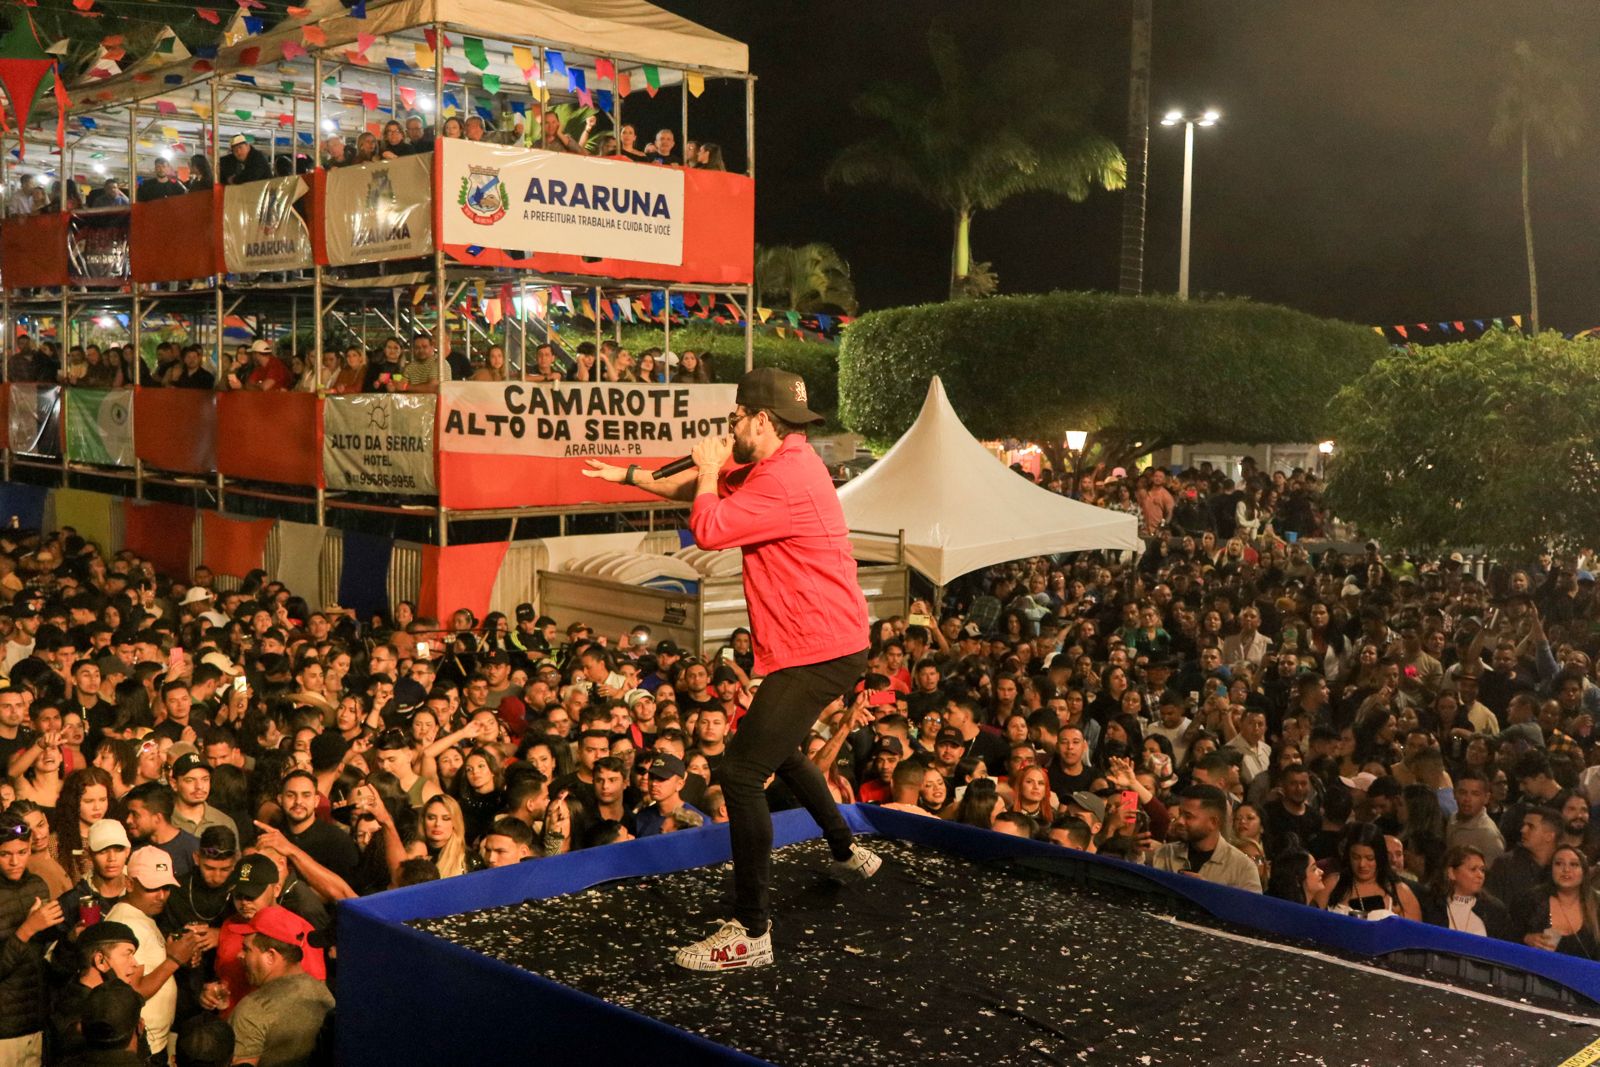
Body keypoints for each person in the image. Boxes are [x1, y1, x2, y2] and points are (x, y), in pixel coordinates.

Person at [583, 368, 879, 972]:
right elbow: (699, 487)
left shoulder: (783, 479)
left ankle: (751, 932)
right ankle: (848, 852)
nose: (730, 427)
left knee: (741, 774)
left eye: (735, 418)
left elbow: (709, 526)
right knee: (779, 749)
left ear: (761, 420)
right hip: (820, 641)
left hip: (818, 647)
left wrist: (708, 466)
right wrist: (631, 475)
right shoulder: (783, 461)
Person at [104, 847, 200, 1061]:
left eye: (166, 887)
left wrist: (178, 955)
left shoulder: (141, 915)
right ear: (129, 883)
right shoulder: (125, 924)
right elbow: (131, 992)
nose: (161, 896)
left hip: (153, 1042)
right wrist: (174, 960)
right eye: (152, 888)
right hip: (142, 1046)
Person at [225, 906, 335, 1064]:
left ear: (270, 956)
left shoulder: (252, 1011)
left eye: (247, 949)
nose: (239, 955)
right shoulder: (324, 995)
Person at [0, 811, 58, 1066]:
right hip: (4, 1030)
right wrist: (28, 928)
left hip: (36, 1020)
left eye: (22, 852)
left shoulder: (37, 886)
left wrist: (69, 933)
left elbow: (46, 954)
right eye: (5, 854)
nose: (15, 861)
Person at [1146, 785, 1263, 892]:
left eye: (1188, 816)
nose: (1180, 821)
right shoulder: (1164, 854)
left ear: (1213, 822)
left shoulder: (1243, 868)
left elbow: (1251, 908)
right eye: (1180, 814)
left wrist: (1208, 892)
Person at [1420, 844, 1513, 940]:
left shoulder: (1495, 911)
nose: (1480, 875)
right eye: (1473, 869)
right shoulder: (1431, 905)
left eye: (1482, 870)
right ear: (1451, 873)